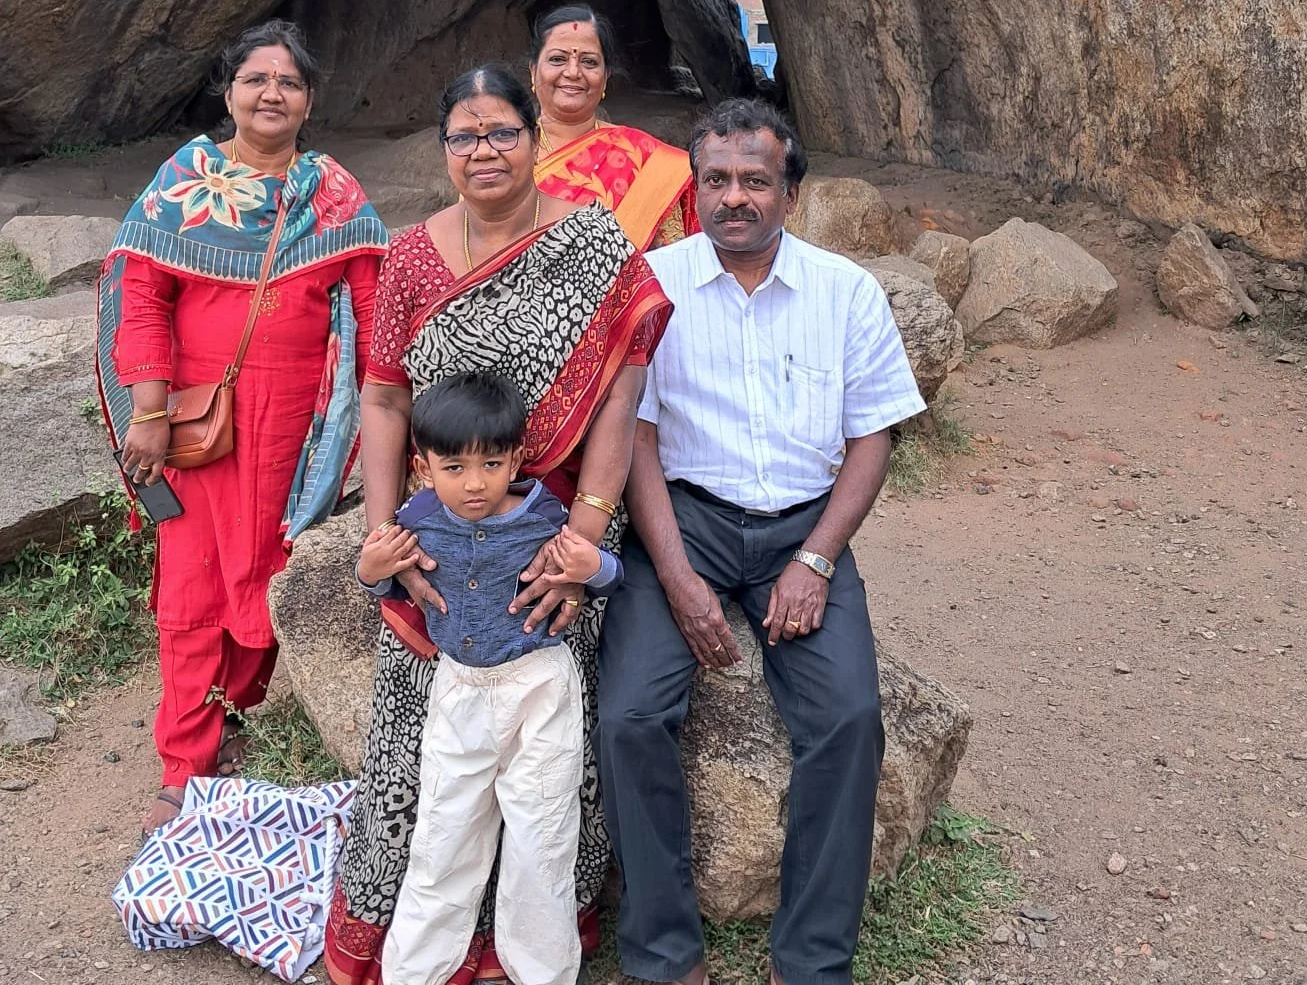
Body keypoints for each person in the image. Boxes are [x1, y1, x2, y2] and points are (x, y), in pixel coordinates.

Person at [325, 62, 672, 985]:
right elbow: (386, 397)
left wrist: (584, 537)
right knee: (421, 749)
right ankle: (412, 940)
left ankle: (534, 944)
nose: (484, 151)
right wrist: (388, 537)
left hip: (552, 529)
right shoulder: (410, 256)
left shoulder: (592, 242)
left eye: (502, 132)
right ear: (444, 149)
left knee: (549, 761)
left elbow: (624, 389)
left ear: (534, 136)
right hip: (438, 534)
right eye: (464, 136)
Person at [598, 98, 926, 985]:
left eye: (754, 180)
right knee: (628, 717)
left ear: (791, 192)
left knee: (849, 719)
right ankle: (665, 956)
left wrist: (816, 559)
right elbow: (637, 439)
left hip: (803, 527)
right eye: (715, 180)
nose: (733, 197)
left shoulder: (846, 291)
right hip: (685, 521)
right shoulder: (651, 285)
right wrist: (676, 576)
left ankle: (810, 961)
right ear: (694, 188)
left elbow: (872, 436)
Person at [96, 19, 387, 839]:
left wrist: (389, 419)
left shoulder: (334, 195)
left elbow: (374, 312)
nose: (271, 94)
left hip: (298, 435)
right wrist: (149, 412)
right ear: (228, 92)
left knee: (272, 568)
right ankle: (184, 764)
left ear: (309, 102)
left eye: (288, 82)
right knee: (191, 587)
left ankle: (237, 713)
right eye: (256, 79)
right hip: (193, 427)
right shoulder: (185, 182)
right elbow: (141, 297)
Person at [357, 371, 622, 985]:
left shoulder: (544, 514)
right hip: (460, 693)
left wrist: (594, 567)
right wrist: (371, 569)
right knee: (444, 830)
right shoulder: (416, 520)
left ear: (516, 460)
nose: (474, 484)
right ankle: (415, 971)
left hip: (541, 690)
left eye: (491, 464)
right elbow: (384, 582)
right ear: (423, 467)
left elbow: (607, 576)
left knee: (543, 834)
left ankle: (542, 971)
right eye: (454, 467)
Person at [529, 4, 698, 249]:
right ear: (533, 71)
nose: (573, 72)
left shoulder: (645, 160)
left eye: (589, 62)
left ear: (606, 77)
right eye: (557, 59)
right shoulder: (500, 151)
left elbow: (672, 257)